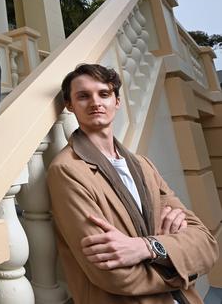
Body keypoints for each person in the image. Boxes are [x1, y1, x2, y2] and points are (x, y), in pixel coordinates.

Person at [48, 64, 218, 303]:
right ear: (70, 105)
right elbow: (113, 274)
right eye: (83, 96)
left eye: (104, 94)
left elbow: (206, 243)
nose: (95, 102)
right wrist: (180, 263)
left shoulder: (143, 165)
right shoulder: (67, 170)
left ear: (117, 102)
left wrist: (147, 247)